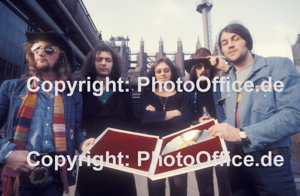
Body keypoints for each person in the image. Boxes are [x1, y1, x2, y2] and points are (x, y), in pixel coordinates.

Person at [208, 23, 300, 196]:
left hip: (271, 164)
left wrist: (243, 134)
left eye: (236, 38)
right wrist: (213, 126)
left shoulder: (277, 66)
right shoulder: (227, 81)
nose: (230, 45)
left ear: (248, 42)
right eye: (224, 42)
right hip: (236, 164)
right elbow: (234, 121)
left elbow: (294, 115)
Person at [0, 32, 94, 196]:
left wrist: (83, 145)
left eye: (49, 49)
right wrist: (6, 153)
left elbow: (76, 131)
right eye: (36, 48)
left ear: (61, 57)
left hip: (53, 179)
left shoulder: (73, 96)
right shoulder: (11, 88)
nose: (41, 52)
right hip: (18, 181)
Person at [76, 43, 137, 196]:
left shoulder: (124, 90)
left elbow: (132, 122)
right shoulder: (82, 91)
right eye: (99, 59)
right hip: (92, 155)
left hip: (119, 157)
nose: (103, 63)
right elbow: (75, 123)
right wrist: (81, 144)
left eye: (108, 60)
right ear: (92, 63)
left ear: (113, 64)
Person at [139, 57, 193, 196]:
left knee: (179, 190)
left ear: (172, 72)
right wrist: (174, 113)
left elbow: (186, 120)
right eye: (159, 71)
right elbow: (143, 118)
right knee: (155, 190)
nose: (162, 74)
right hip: (153, 148)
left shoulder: (182, 94)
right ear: (154, 74)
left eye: (166, 70)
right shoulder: (147, 94)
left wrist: (157, 116)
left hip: (177, 148)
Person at [184, 47, 232, 196]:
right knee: (205, 187)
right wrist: (195, 122)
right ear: (193, 70)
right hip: (200, 142)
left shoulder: (221, 86)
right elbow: (184, 118)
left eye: (206, 66)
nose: (203, 70)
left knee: (227, 183)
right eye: (198, 66)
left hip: (223, 141)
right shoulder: (188, 91)